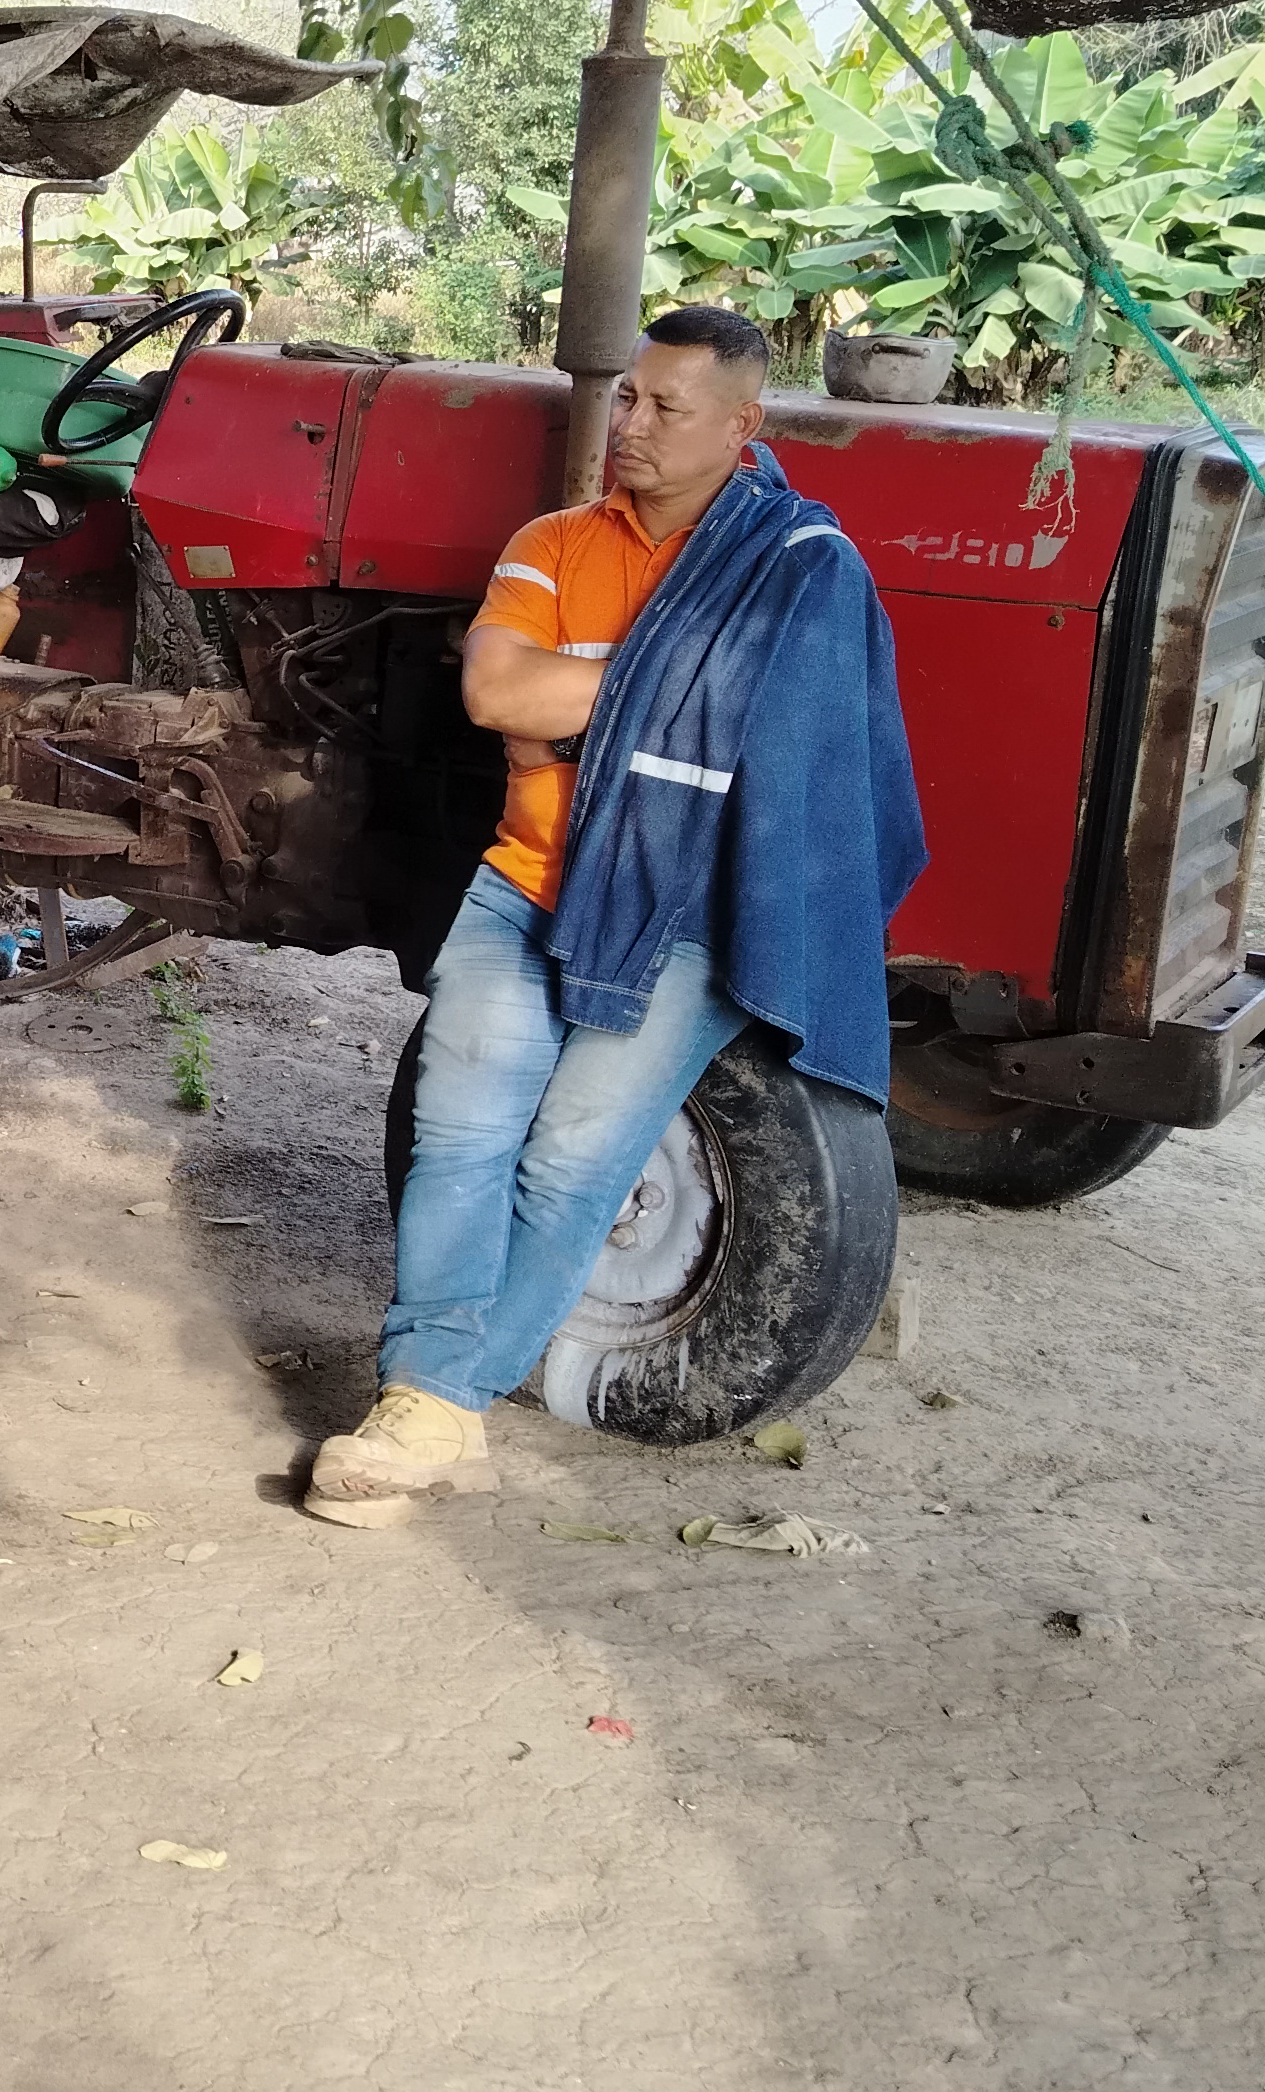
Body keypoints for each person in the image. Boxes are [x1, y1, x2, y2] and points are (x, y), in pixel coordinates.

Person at [306, 306, 924, 1526]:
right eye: (628, 396)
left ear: (739, 427)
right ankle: (433, 1404)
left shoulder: (800, 565)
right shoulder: (552, 542)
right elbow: (498, 692)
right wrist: (685, 690)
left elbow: (789, 742)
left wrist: (591, 710)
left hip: (682, 913)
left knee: (571, 1165)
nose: (628, 424)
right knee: (456, 1137)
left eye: (664, 408)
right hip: (524, 882)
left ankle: (434, 1402)